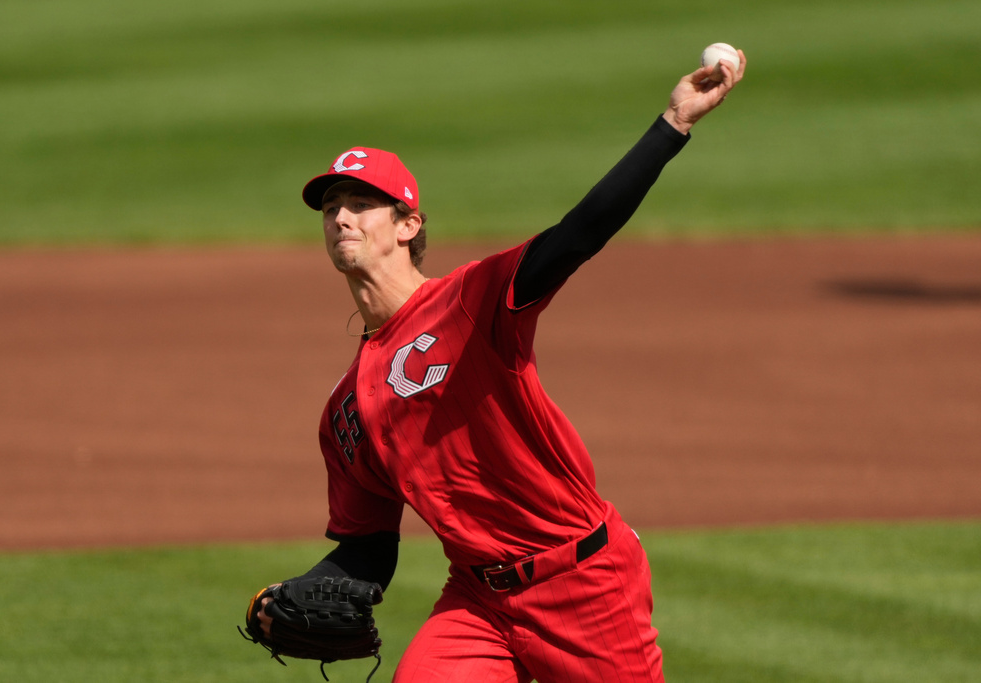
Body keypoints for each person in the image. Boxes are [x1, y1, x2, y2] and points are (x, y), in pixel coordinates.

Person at [256, 51, 745, 682]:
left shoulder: (473, 300)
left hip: (583, 581)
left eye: (360, 202)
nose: (341, 216)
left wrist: (673, 123)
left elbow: (578, 234)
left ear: (409, 224)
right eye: (330, 208)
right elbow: (368, 548)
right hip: (478, 603)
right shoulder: (346, 409)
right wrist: (297, 590)